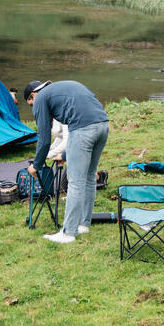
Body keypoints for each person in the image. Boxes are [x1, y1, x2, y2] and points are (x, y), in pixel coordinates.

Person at [24, 80, 109, 244]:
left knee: (75, 181)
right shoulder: (62, 87)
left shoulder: (40, 98)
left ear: (33, 95)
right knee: (90, 176)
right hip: (103, 125)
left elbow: (44, 138)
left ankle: (68, 233)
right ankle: (84, 224)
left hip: (83, 129)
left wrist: (36, 164)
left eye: (30, 104)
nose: (34, 108)